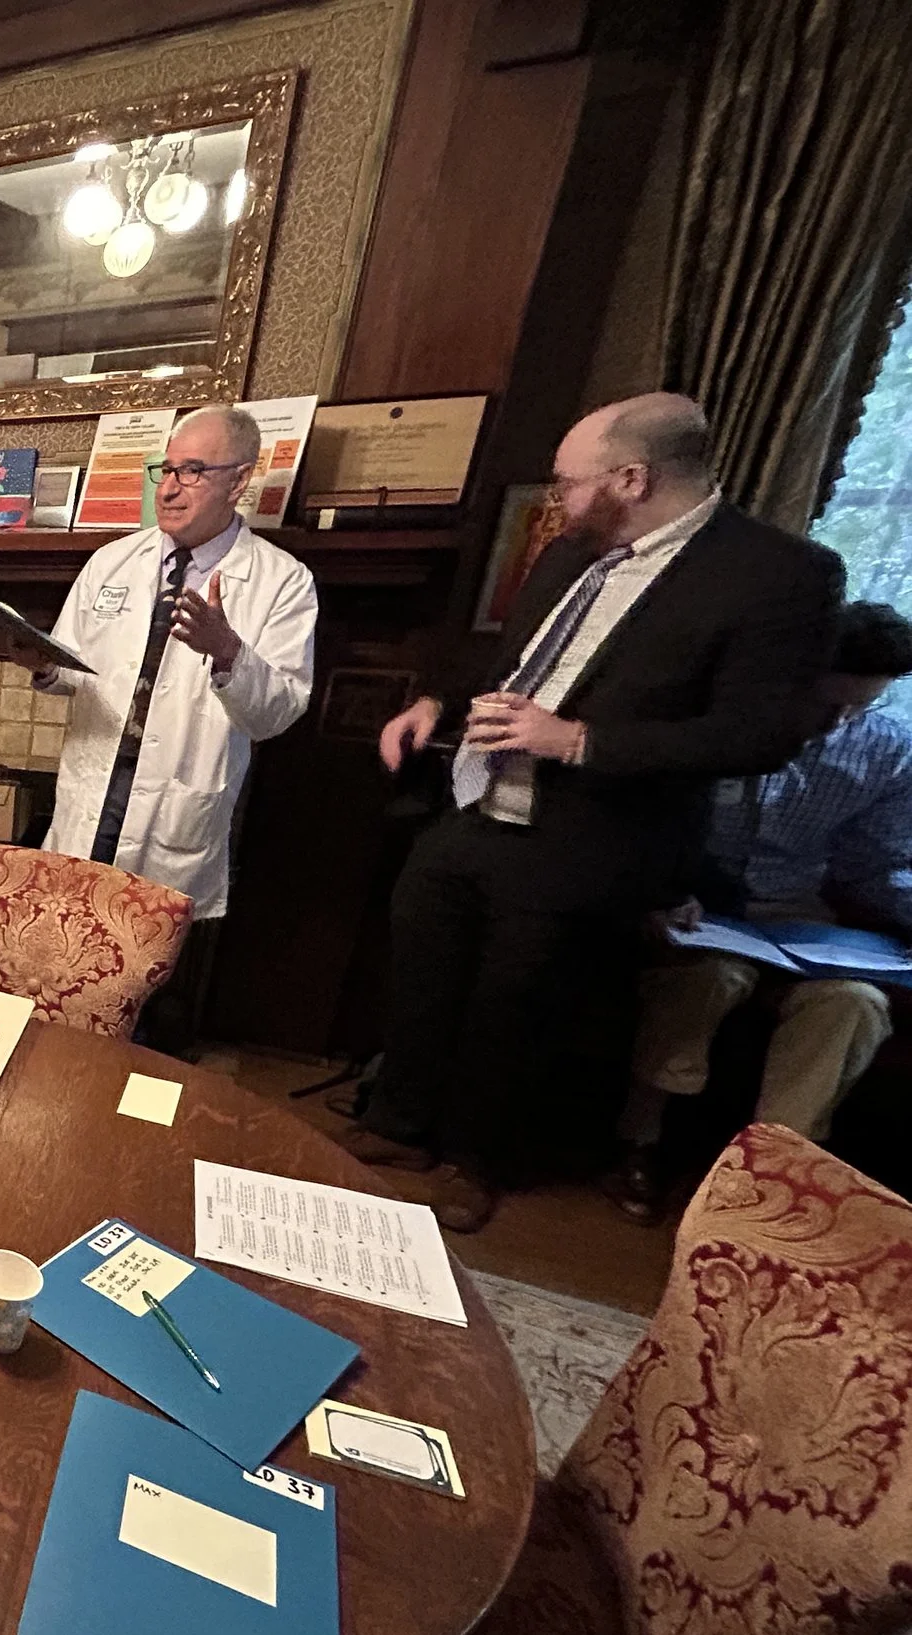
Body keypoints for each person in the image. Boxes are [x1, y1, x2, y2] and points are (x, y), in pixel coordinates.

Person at [354, 392, 844, 1232]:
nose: (558, 501)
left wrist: (581, 740)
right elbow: (510, 656)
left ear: (632, 478)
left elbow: (761, 734)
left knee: (517, 1002)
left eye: (568, 483)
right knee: (424, 962)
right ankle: (398, 1124)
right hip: (477, 805)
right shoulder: (570, 553)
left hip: (592, 834)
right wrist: (438, 700)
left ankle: (476, 1162)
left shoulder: (779, 574)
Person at [9, 403, 317, 1047]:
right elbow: (76, 673)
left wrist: (228, 652)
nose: (170, 488)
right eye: (165, 469)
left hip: (177, 808)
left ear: (240, 480)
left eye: (193, 471)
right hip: (93, 794)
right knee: (60, 971)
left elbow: (278, 713)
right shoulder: (111, 563)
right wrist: (44, 665)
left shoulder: (282, 582)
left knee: (145, 990)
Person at [602, 602, 912, 1220]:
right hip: (697, 905)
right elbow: (645, 821)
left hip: (797, 912)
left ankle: (772, 1172)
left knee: (854, 1002)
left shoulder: (890, 749)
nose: (836, 723)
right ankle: (639, 1141)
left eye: (858, 708)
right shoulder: (719, 723)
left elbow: (877, 863)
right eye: (827, 704)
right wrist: (659, 890)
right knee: (710, 979)